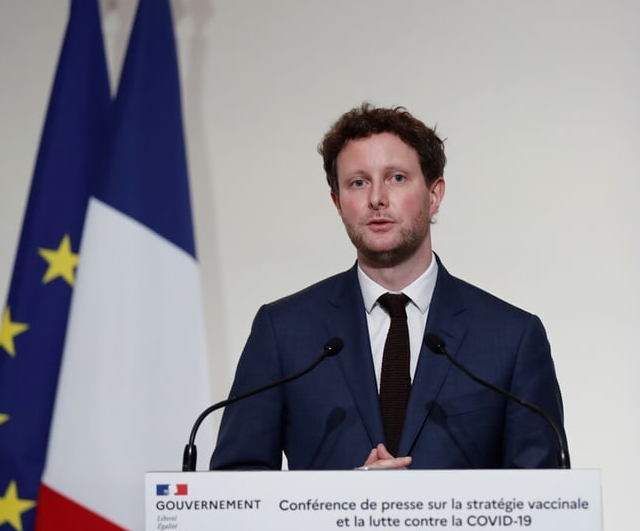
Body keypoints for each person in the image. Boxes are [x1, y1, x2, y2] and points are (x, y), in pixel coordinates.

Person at [210, 103, 567, 470]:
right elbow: (236, 486)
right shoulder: (283, 332)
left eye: (396, 177)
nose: (376, 198)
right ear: (337, 203)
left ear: (434, 195)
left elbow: (546, 499)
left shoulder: (511, 337)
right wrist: (344, 503)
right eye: (358, 182)